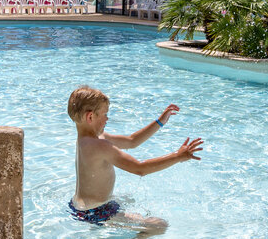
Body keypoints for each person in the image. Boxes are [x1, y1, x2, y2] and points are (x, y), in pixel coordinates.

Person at [67, 85, 204, 224]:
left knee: (129, 199)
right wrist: (178, 156)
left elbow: (132, 141)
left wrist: (160, 122)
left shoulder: (88, 140)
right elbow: (140, 169)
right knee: (159, 225)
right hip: (96, 213)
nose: (107, 119)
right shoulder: (100, 146)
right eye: (105, 114)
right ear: (90, 116)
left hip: (80, 206)